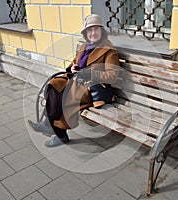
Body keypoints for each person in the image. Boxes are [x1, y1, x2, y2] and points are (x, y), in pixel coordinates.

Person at [28, 14, 120, 147]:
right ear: (85, 33)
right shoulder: (84, 46)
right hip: (76, 80)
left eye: (96, 29)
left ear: (102, 31)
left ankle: (60, 135)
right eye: (90, 30)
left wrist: (91, 73)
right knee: (53, 85)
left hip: (91, 87)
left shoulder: (109, 50)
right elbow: (75, 63)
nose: (93, 33)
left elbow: (113, 76)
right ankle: (49, 124)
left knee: (65, 97)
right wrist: (73, 68)